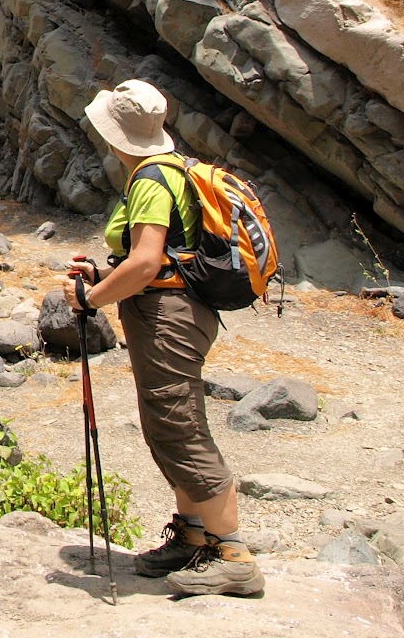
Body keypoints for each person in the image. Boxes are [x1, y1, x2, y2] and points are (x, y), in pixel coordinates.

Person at [63, 78, 263, 598]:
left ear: (116, 135)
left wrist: (91, 299)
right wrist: (104, 275)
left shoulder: (150, 179)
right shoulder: (171, 171)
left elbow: (148, 262)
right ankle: (193, 538)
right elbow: (153, 256)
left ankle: (232, 554)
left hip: (168, 317)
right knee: (165, 421)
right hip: (178, 312)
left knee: (178, 426)